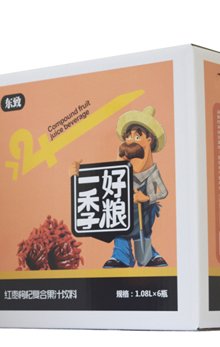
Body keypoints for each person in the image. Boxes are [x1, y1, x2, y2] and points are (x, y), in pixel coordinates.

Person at [69, 106, 168, 267]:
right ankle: (122, 255)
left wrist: (147, 197)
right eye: (128, 136)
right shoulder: (118, 171)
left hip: (143, 215)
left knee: (143, 233)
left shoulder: (151, 173)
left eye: (137, 136)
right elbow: (97, 188)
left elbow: (163, 192)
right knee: (120, 231)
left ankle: (148, 255)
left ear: (149, 140)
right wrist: (77, 175)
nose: (130, 141)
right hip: (120, 213)